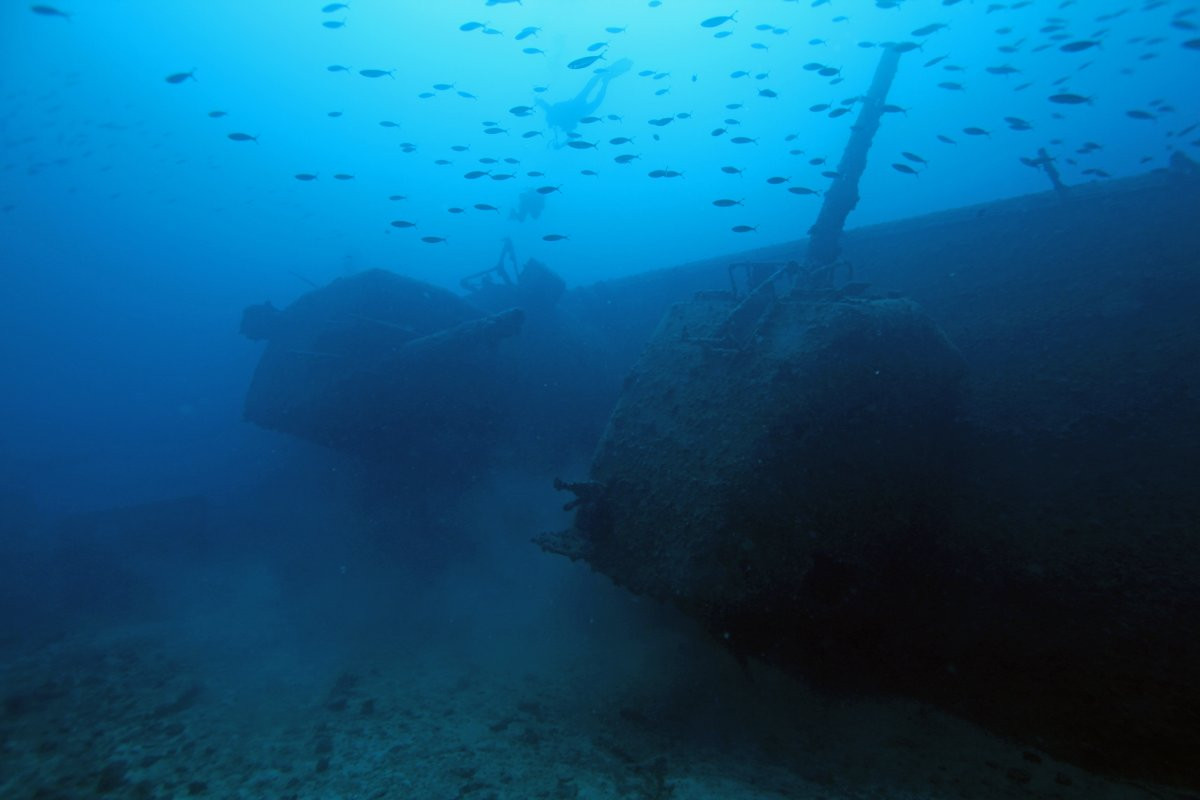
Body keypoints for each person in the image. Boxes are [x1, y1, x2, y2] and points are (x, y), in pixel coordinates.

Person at [536, 57, 632, 147]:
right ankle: (604, 77)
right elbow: (545, 105)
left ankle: (604, 78)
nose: (551, 125)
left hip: (579, 109)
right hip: (578, 108)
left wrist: (537, 99)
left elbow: (544, 105)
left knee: (594, 96)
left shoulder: (560, 121)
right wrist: (537, 99)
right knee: (590, 90)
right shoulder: (557, 118)